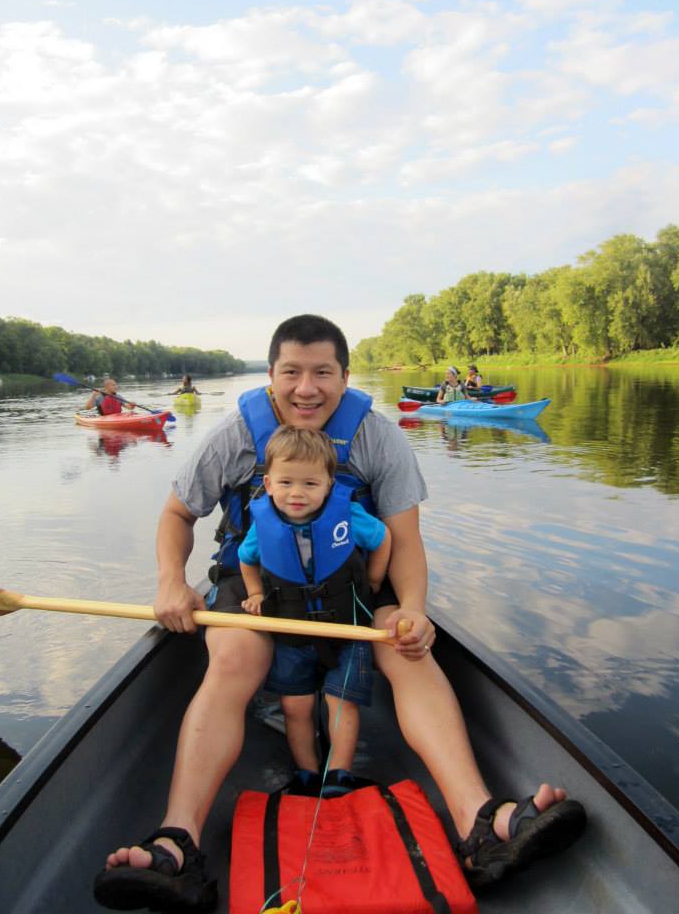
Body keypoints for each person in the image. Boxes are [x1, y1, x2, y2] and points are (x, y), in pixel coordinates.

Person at [94, 314, 585, 912]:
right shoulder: (234, 435)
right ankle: (179, 844)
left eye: (323, 372)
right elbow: (178, 515)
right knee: (235, 658)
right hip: (258, 584)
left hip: (350, 579)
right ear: (271, 376)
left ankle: (481, 822)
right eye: (292, 373)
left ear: (345, 377)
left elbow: (405, 540)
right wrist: (172, 581)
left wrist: (412, 609)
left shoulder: (378, 437)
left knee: (405, 647)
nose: (307, 388)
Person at [239, 425, 392, 777]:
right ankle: (307, 773)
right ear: (268, 484)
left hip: (347, 631)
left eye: (310, 483)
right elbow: (247, 560)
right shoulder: (263, 524)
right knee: (295, 707)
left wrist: (373, 580)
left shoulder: (347, 514)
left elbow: (383, 539)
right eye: (286, 482)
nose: (297, 493)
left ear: (328, 485)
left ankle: (338, 774)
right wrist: (255, 593)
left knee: (342, 703)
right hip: (292, 635)